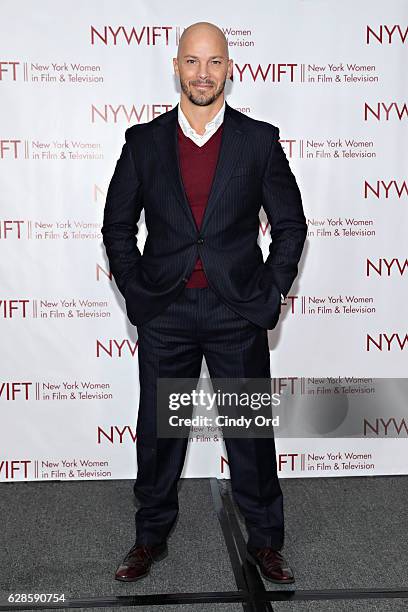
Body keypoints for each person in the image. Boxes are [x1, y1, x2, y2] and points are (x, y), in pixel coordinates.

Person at [101, 21, 307, 584]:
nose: (202, 73)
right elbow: (117, 226)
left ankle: (266, 541)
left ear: (229, 69)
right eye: (192, 61)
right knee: (160, 432)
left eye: (213, 62)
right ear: (176, 67)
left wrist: (267, 292)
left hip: (235, 312)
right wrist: (138, 290)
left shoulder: (257, 140)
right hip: (166, 312)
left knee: (248, 434)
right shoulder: (143, 141)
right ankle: (149, 536)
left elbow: (290, 226)